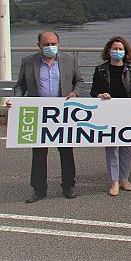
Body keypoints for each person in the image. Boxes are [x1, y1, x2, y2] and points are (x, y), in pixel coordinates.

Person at [7, 31, 84, 203]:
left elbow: (79, 82)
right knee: (39, 153)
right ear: (39, 46)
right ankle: (39, 189)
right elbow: (20, 86)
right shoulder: (28, 61)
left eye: (53, 44)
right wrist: (17, 101)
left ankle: (68, 186)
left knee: (66, 151)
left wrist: (75, 93)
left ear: (58, 44)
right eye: (46, 44)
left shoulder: (70, 60)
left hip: (62, 114)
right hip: (39, 113)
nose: (50, 47)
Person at [90, 35, 131, 197]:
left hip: (127, 111)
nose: (117, 51)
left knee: (126, 147)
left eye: (120, 49)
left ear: (125, 51)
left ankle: (124, 178)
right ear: (108, 51)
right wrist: (100, 95)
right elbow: (93, 91)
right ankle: (114, 181)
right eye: (114, 48)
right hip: (109, 112)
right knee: (112, 148)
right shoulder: (100, 69)